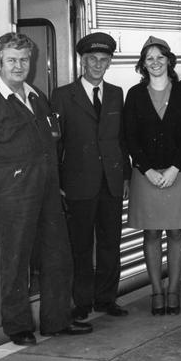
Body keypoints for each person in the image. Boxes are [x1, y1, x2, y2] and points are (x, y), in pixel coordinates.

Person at [0, 32, 92, 346]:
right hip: (11, 196)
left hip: (46, 193)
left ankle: (56, 321)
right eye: (12, 60)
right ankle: (18, 328)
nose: (19, 66)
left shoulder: (36, 97)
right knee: (15, 261)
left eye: (24, 59)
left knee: (58, 255)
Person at [51, 32, 131, 320]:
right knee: (81, 246)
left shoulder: (115, 94)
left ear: (109, 63)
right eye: (92, 59)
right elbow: (55, 144)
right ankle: (82, 301)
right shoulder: (62, 96)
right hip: (78, 184)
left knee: (111, 243)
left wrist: (125, 177)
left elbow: (121, 140)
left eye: (104, 60)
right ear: (82, 62)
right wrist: (59, 183)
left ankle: (107, 298)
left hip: (110, 182)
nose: (98, 65)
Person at [123, 36, 181, 316]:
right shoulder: (134, 94)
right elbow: (129, 137)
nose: (155, 63)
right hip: (147, 176)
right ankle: (157, 291)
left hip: (178, 173)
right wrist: (147, 170)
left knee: (177, 232)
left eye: (160, 57)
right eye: (149, 59)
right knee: (152, 233)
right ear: (143, 64)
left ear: (169, 60)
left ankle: (174, 290)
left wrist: (174, 168)